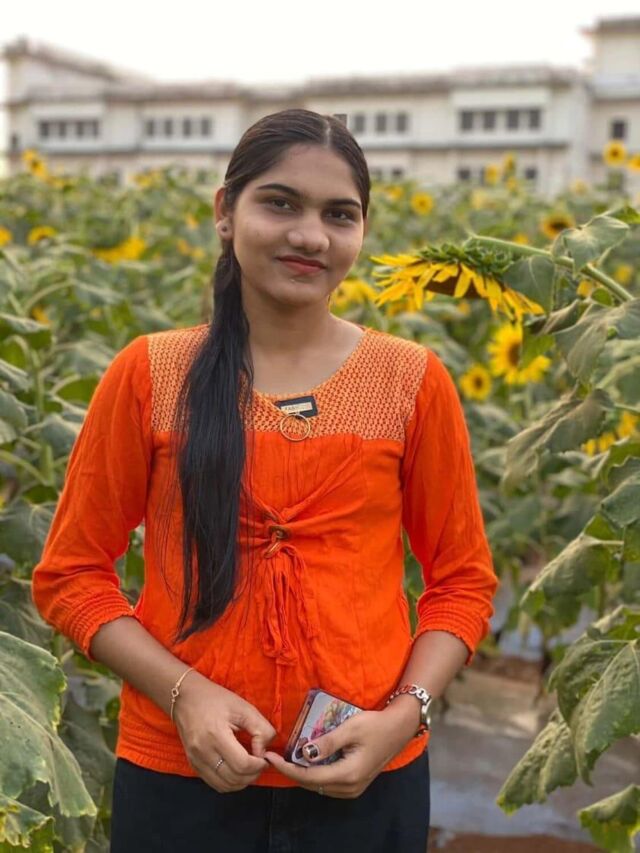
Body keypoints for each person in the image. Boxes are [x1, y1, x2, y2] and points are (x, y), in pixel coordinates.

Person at [31, 108, 498, 852]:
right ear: (226, 211)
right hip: (180, 776)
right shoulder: (151, 374)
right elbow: (71, 576)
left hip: (368, 774)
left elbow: (462, 582)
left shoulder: (411, 380)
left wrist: (404, 715)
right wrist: (185, 694)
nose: (311, 235)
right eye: (281, 203)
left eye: (339, 214)